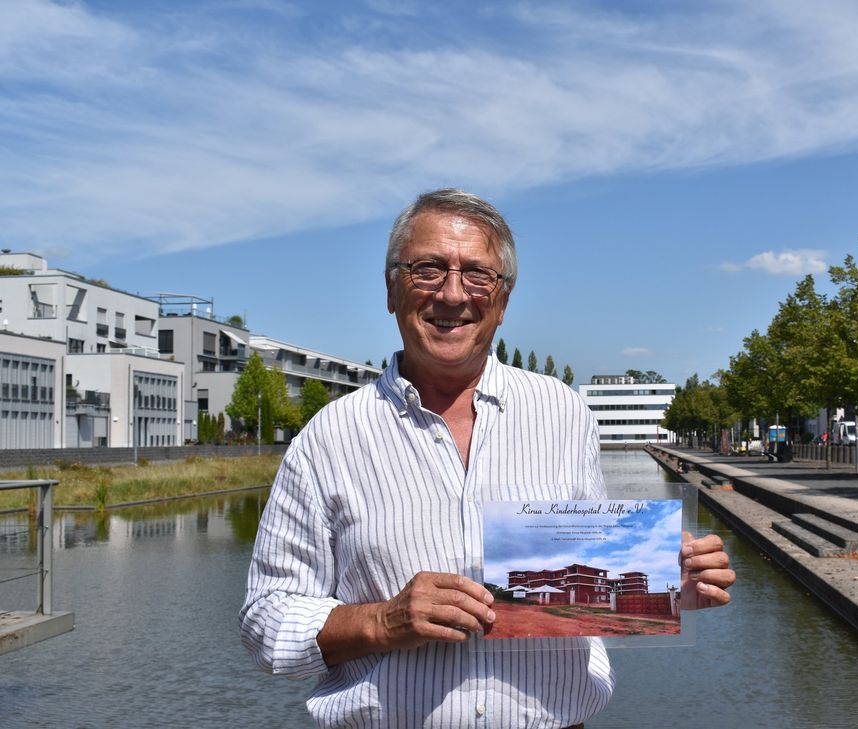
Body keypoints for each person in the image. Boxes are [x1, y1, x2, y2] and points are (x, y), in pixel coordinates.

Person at [239, 189, 735, 728]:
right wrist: (382, 621)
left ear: (503, 298)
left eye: (477, 274)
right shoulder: (327, 439)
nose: (453, 294)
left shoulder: (563, 412)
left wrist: (664, 585)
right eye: (427, 269)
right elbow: (265, 620)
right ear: (390, 288)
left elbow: (587, 577)